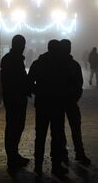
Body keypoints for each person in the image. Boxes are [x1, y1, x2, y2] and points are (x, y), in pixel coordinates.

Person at [28, 40, 69, 176]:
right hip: (57, 104)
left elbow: (29, 82)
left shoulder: (39, 63)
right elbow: (68, 83)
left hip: (42, 104)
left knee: (40, 135)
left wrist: (38, 91)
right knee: (56, 135)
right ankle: (55, 165)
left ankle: (38, 165)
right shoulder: (62, 64)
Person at [0, 35, 30, 172]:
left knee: (17, 126)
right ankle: (12, 158)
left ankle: (14, 155)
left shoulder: (12, 59)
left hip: (15, 97)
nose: (23, 48)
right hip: (14, 98)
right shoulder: (11, 60)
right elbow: (15, 79)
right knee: (13, 127)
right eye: (22, 45)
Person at [59, 39, 91, 164]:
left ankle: (63, 152)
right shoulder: (74, 64)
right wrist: (75, 97)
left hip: (62, 101)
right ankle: (79, 152)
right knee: (75, 128)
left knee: (60, 129)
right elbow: (79, 84)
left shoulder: (57, 65)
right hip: (71, 101)